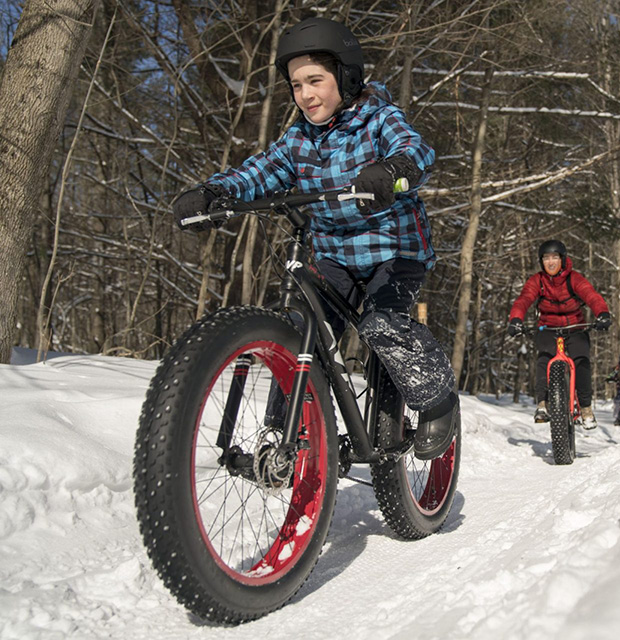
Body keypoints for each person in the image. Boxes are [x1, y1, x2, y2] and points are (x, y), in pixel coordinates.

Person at [171, 17, 457, 460]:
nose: (305, 94)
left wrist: (393, 170)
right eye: (296, 85)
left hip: (394, 251)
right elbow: (262, 170)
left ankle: (437, 400)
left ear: (346, 76)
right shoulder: (298, 139)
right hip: (333, 254)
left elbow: (416, 150)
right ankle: (288, 434)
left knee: (382, 326)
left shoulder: (379, 119)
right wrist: (217, 192)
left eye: (315, 81)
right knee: (304, 330)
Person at [507, 240, 611, 428]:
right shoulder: (537, 281)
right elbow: (523, 300)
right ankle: (542, 403)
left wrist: (602, 314)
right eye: (546, 258)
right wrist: (516, 319)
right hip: (548, 327)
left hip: (575, 327)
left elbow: (591, 296)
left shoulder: (574, 279)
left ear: (562, 259)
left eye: (555, 257)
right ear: (541, 262)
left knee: (581, 360)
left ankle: (586, 408)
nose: (551, 262)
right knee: (544, 357)